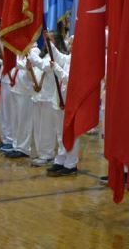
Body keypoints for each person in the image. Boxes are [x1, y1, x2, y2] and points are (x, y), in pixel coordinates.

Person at [41, 31, 78, 177]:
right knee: (60, 133)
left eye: (74, 43)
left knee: (71, 133)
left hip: (70, 101)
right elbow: (57, 55)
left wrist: (56, 68)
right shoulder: (69, 58)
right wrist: (48, 41)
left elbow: (69, 79)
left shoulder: (80, 61)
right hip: (59, 99)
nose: (71, 45)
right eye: (71, 43)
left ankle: (71, 163)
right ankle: (60, 160)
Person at [3, 43, 42, 159]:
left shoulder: (34, 50)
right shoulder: (20, 50)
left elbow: (29, 66)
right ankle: (16, 145)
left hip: (26, 89)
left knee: (24, 120)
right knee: (15, 119)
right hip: (16, 87)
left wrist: (12, 62)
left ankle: (24, 148)